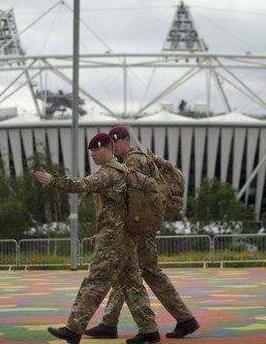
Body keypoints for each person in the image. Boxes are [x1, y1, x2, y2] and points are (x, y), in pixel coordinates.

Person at [35, 133, 160, 344]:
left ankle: (74, 329)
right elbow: (115, 209)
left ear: (109, 148)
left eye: (96, 150)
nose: (92, 154)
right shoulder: (123, 170)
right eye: (90, 151)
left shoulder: (109, 173)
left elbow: (82, 185)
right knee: (132, 283)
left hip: (113, 240)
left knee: (95, 282)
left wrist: (53, 180)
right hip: (125, 237)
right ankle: (149, 330)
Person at [83, 126, 199, 339]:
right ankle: (109, 323)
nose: (112, 146)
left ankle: (184, 319)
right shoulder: (132, 160)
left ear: (126, 140)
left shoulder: (134, 160)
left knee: (148, 271)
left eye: (115, 142)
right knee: (125, 272)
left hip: (139, 229)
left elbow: (132, 200)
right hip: (136, 228)